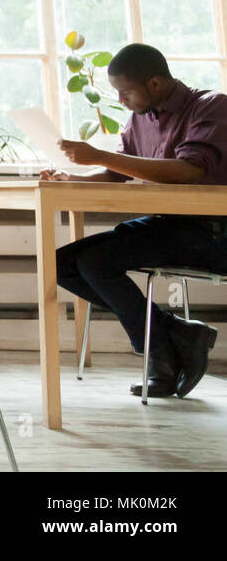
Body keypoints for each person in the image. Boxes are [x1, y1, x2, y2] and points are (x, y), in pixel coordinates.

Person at [48, 43, 227, 399]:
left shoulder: (212, 106)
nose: (121, 100)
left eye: (125, 91)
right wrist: (73, 181)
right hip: (166, 226)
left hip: (211, 234)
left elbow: (189, 170)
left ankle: (161, 351)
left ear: (156, 84)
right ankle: (170, 334)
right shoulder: (139, 119)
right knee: (61, 264)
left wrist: (98, 155)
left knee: (97, 261)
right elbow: (119, 174)